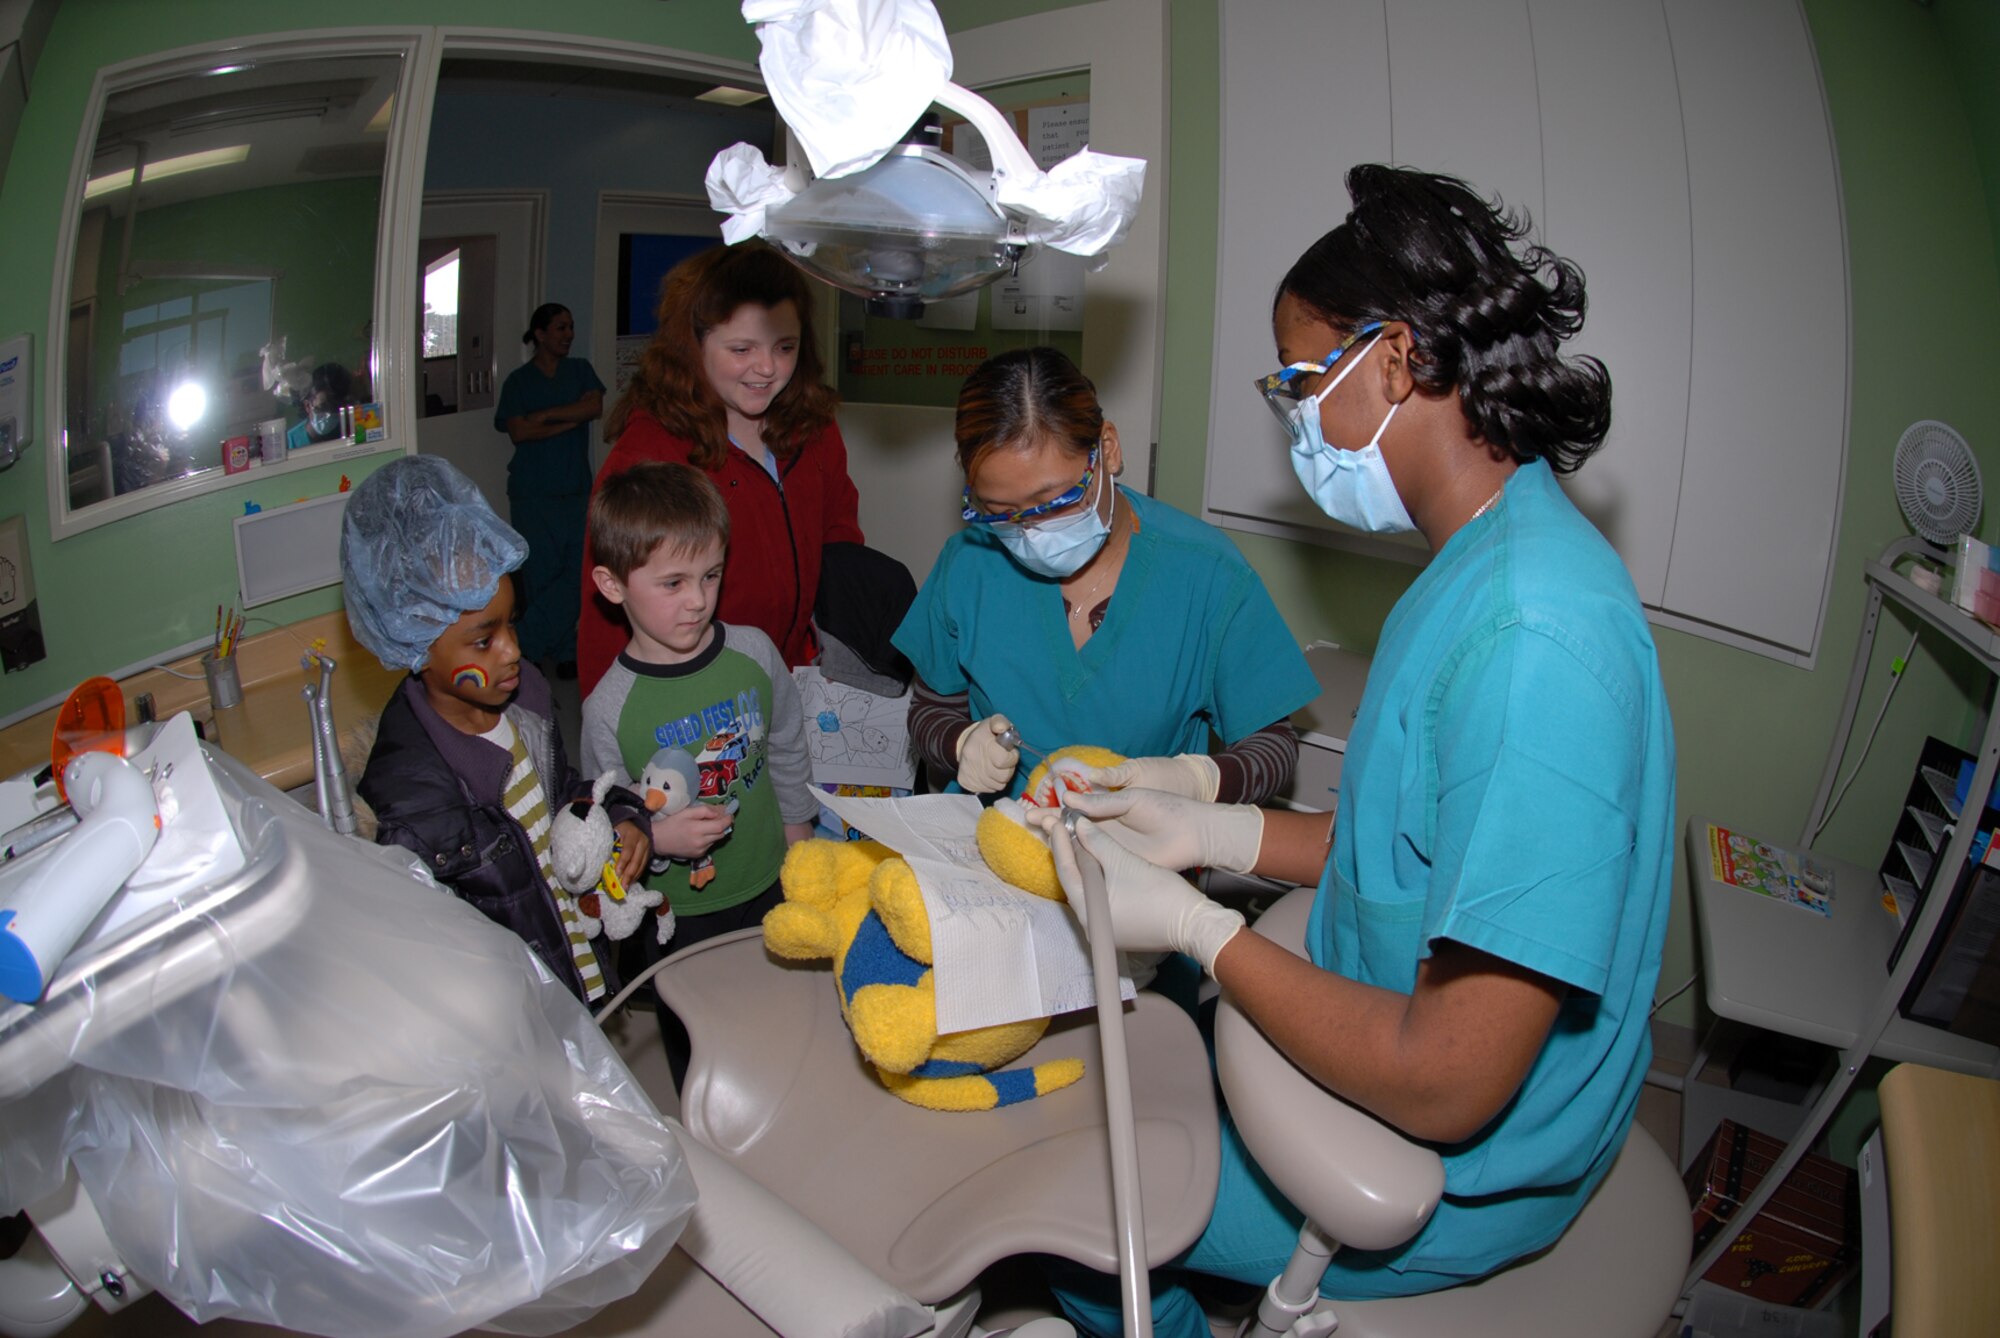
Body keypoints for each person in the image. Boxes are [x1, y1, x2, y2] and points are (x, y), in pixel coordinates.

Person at [1037, 164, 1676, 1335]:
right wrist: (1206, 820)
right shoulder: (1487, 551)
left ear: (1392, 361)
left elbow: (1445, 1078)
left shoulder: (1533, 641)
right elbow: (1415, 850)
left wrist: (1199, 928)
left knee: (1073, 1208)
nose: (1291, 423)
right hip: (1362, 1043)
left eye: (1295, 384)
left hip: (1444, 1175)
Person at [893, 346, 1318, 808]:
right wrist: (959, 743)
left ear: (1107, 450)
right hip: (994, 845)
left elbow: (1274, 747)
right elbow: (931, 708)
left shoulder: (1207, 576)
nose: (1031, 534)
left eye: (1054, 502)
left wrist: (1198, 781)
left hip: (1144, 855)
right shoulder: (971, 563)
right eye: (1001, 513)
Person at [341, 455, 652, 1009]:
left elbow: (562, 796)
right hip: (513, 1007)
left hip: (576, 970)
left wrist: (624, 817)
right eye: (484, 641)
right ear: (414, 643)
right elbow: (429, 953)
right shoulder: (409, 798)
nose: (513, 650)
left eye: (511, 622)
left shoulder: (525, 696)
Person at [579, 460, 821, 1087]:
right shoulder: (609, 709)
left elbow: (790, 746)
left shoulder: (753, 654)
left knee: (781, 1028)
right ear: (612, 585)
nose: (698, 599)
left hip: (770, 879)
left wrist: (799, 837)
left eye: (711, 575)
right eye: (673, 582)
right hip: (676, 913)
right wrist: (656, 841)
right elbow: (603, 833)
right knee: (700, 1045)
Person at [578, 244, 863, 694]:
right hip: (698, 697)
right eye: (741, 348)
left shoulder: (815, 431)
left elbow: (841, 547)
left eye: (785, 347)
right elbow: (608, 616)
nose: (767, 368)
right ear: (694, 346)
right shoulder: (649, 454)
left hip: (799, 679)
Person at [495, 302, 605, 677]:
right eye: (560, 328)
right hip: (533, 494)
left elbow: (593, 408)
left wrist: (543, 416)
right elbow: (519, 431)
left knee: (579, 575)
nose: (568, 334)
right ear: (540, 334)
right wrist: (565, 418)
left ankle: (527, 643)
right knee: (540, 576)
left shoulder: (580, 370)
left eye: (570, 327)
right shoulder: (518, 382)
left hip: (576, 490)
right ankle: (559, 652)